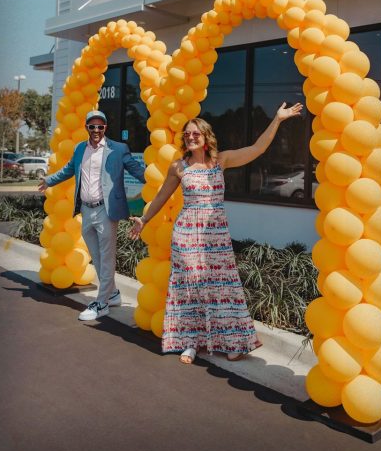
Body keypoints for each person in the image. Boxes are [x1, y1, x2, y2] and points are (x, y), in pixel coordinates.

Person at [130, 102, 304, 364]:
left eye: (195, 134)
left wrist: (277, 120)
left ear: (206, 137)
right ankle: (190, 342)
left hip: (216, 234)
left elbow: (258, 149)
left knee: (223, 287)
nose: (190, 137)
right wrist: (143, 219)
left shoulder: (221, 160)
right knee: (189, 286)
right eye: (187, 134)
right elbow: (162, 196)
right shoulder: (178, 167)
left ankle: (233, 342)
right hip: (187, 232)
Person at [38, 110, 146, 321]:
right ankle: (113, 294)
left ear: (105, 128)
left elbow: (137, 170)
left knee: (106, 257)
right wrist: (49, 180)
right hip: (86, 210)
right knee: (97, 257)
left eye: (100, 126)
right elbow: (68, 170)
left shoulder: (118, 149)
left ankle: (102, 303)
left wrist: (160, 178)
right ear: (86, 127)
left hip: (106, 210)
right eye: (92, 126)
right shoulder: (80, 149)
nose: (96, 130)